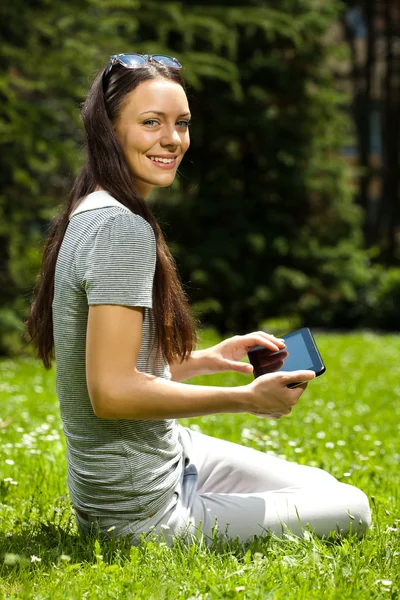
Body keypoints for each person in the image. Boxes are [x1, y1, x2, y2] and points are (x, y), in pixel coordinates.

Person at [26, 53, 372, 546]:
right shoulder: (120, 227)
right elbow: (111, 393)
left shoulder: (93, 207)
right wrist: (245, 401)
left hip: (167, 456)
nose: (172, 140)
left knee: (323, 487)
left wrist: (209, 359)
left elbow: (112, 368)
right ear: (108, 129)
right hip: (143, 512)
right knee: (353, 507)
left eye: (181, 124)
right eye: (151, 123)